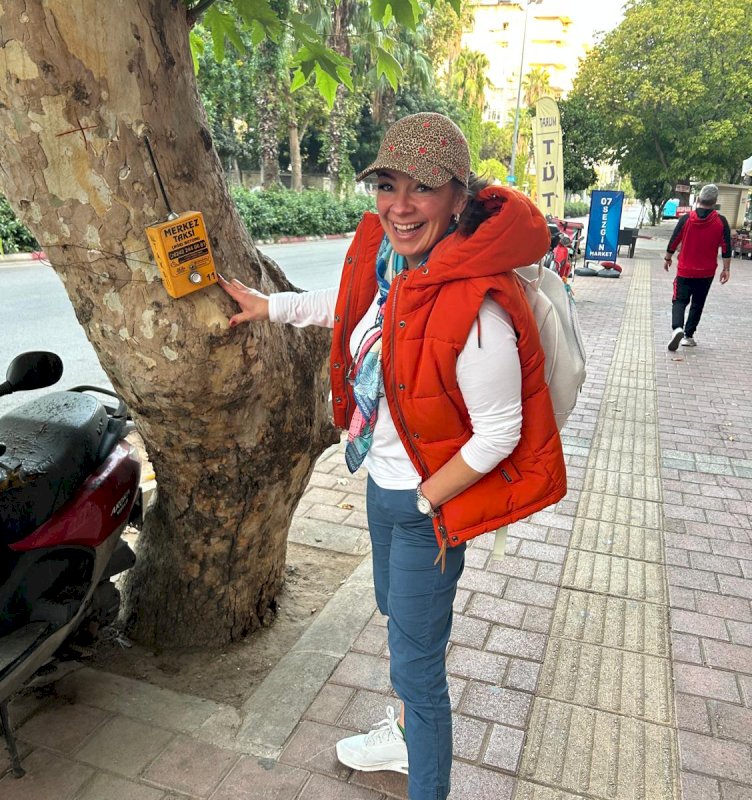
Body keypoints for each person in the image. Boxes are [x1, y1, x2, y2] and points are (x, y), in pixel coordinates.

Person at [219, 112, 566, 800]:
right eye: (387, 185)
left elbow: (500, 432)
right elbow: (353, 307)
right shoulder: (395, 266)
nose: (399, 206)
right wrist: (271, 307)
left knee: (418, 671)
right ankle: (406, 734)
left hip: (424, 508)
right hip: (385, 488)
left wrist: (427, 499)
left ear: (459, 198)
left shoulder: (479, 309)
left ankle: (423, 765)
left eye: (422, 188)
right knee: (398, 619)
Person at [665, 183, 731, 351]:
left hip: (685, 270)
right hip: (706, 272)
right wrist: (726, 269)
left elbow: (674, 239)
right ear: (715, 201)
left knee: (679, 300)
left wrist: (668, 258)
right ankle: (688, 336)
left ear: (699, 199)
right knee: (698, 303)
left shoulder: (686, 219)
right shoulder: (721, 221)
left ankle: (677, 328)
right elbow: (726, 247)